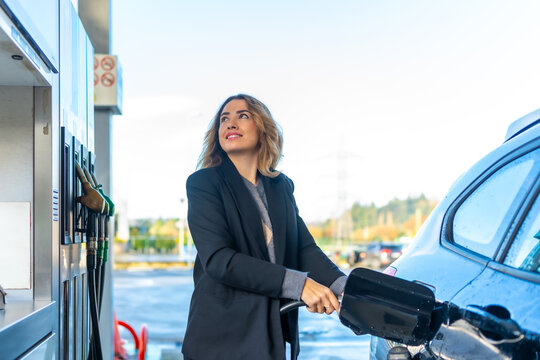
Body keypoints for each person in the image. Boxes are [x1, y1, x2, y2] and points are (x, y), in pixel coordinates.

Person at [182, 94, 347, 360]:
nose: (230, 123)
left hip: (268, 334)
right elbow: (219, 260)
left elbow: (303, 249)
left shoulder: (280, 186)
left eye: (242, 116)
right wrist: (299, 285)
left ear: (263, 128)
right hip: (220, 338)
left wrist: (343, 286)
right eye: (224, 119)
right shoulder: (203, 184)